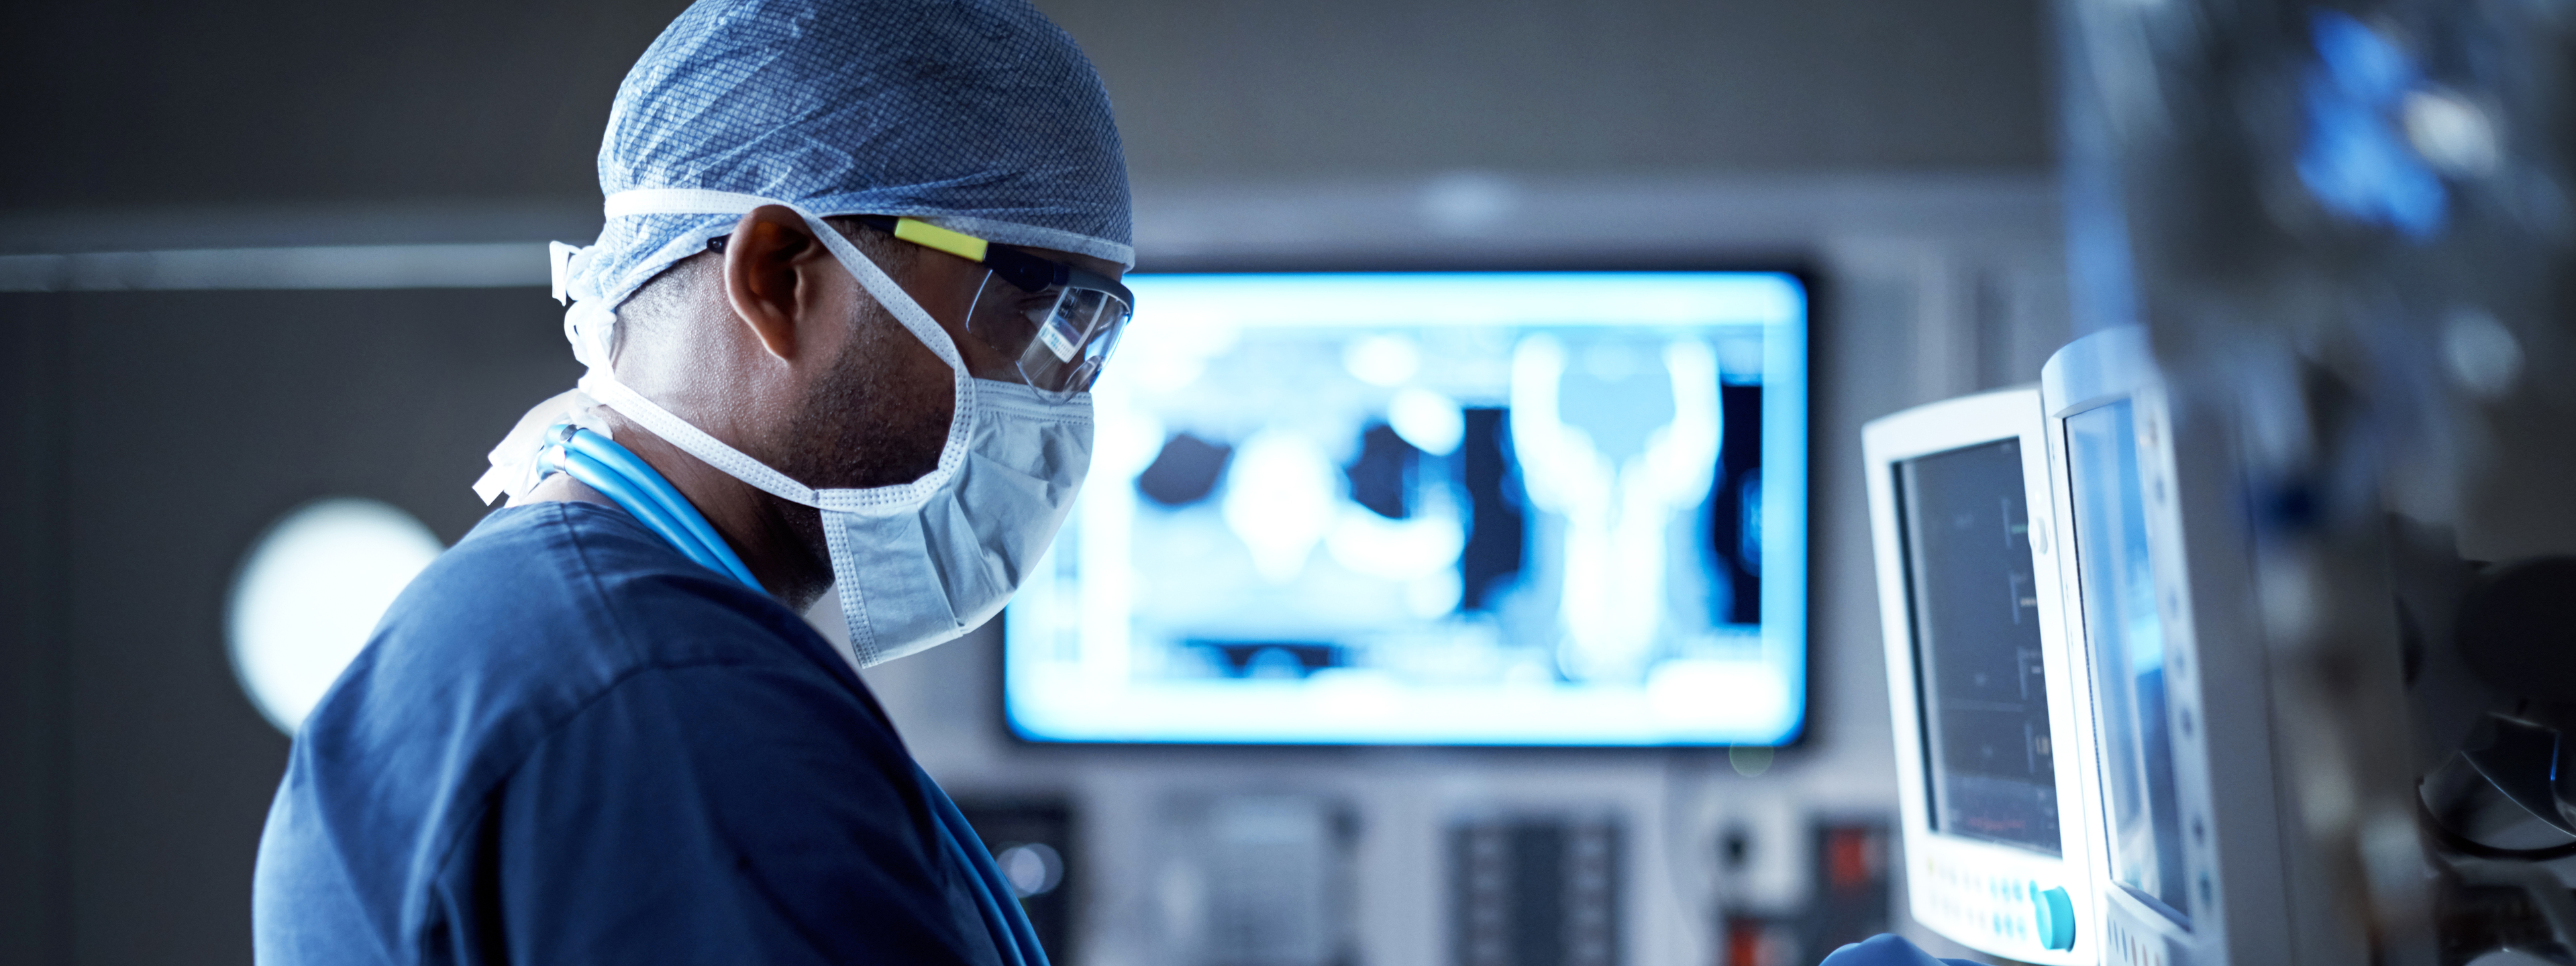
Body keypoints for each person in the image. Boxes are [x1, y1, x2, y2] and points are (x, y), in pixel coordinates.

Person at [250, 0, 1131, 963]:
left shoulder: (522, 626)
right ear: (779, 274)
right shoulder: (680, 708)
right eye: (1039, 312)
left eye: (1092, 339)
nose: (1064, 391)